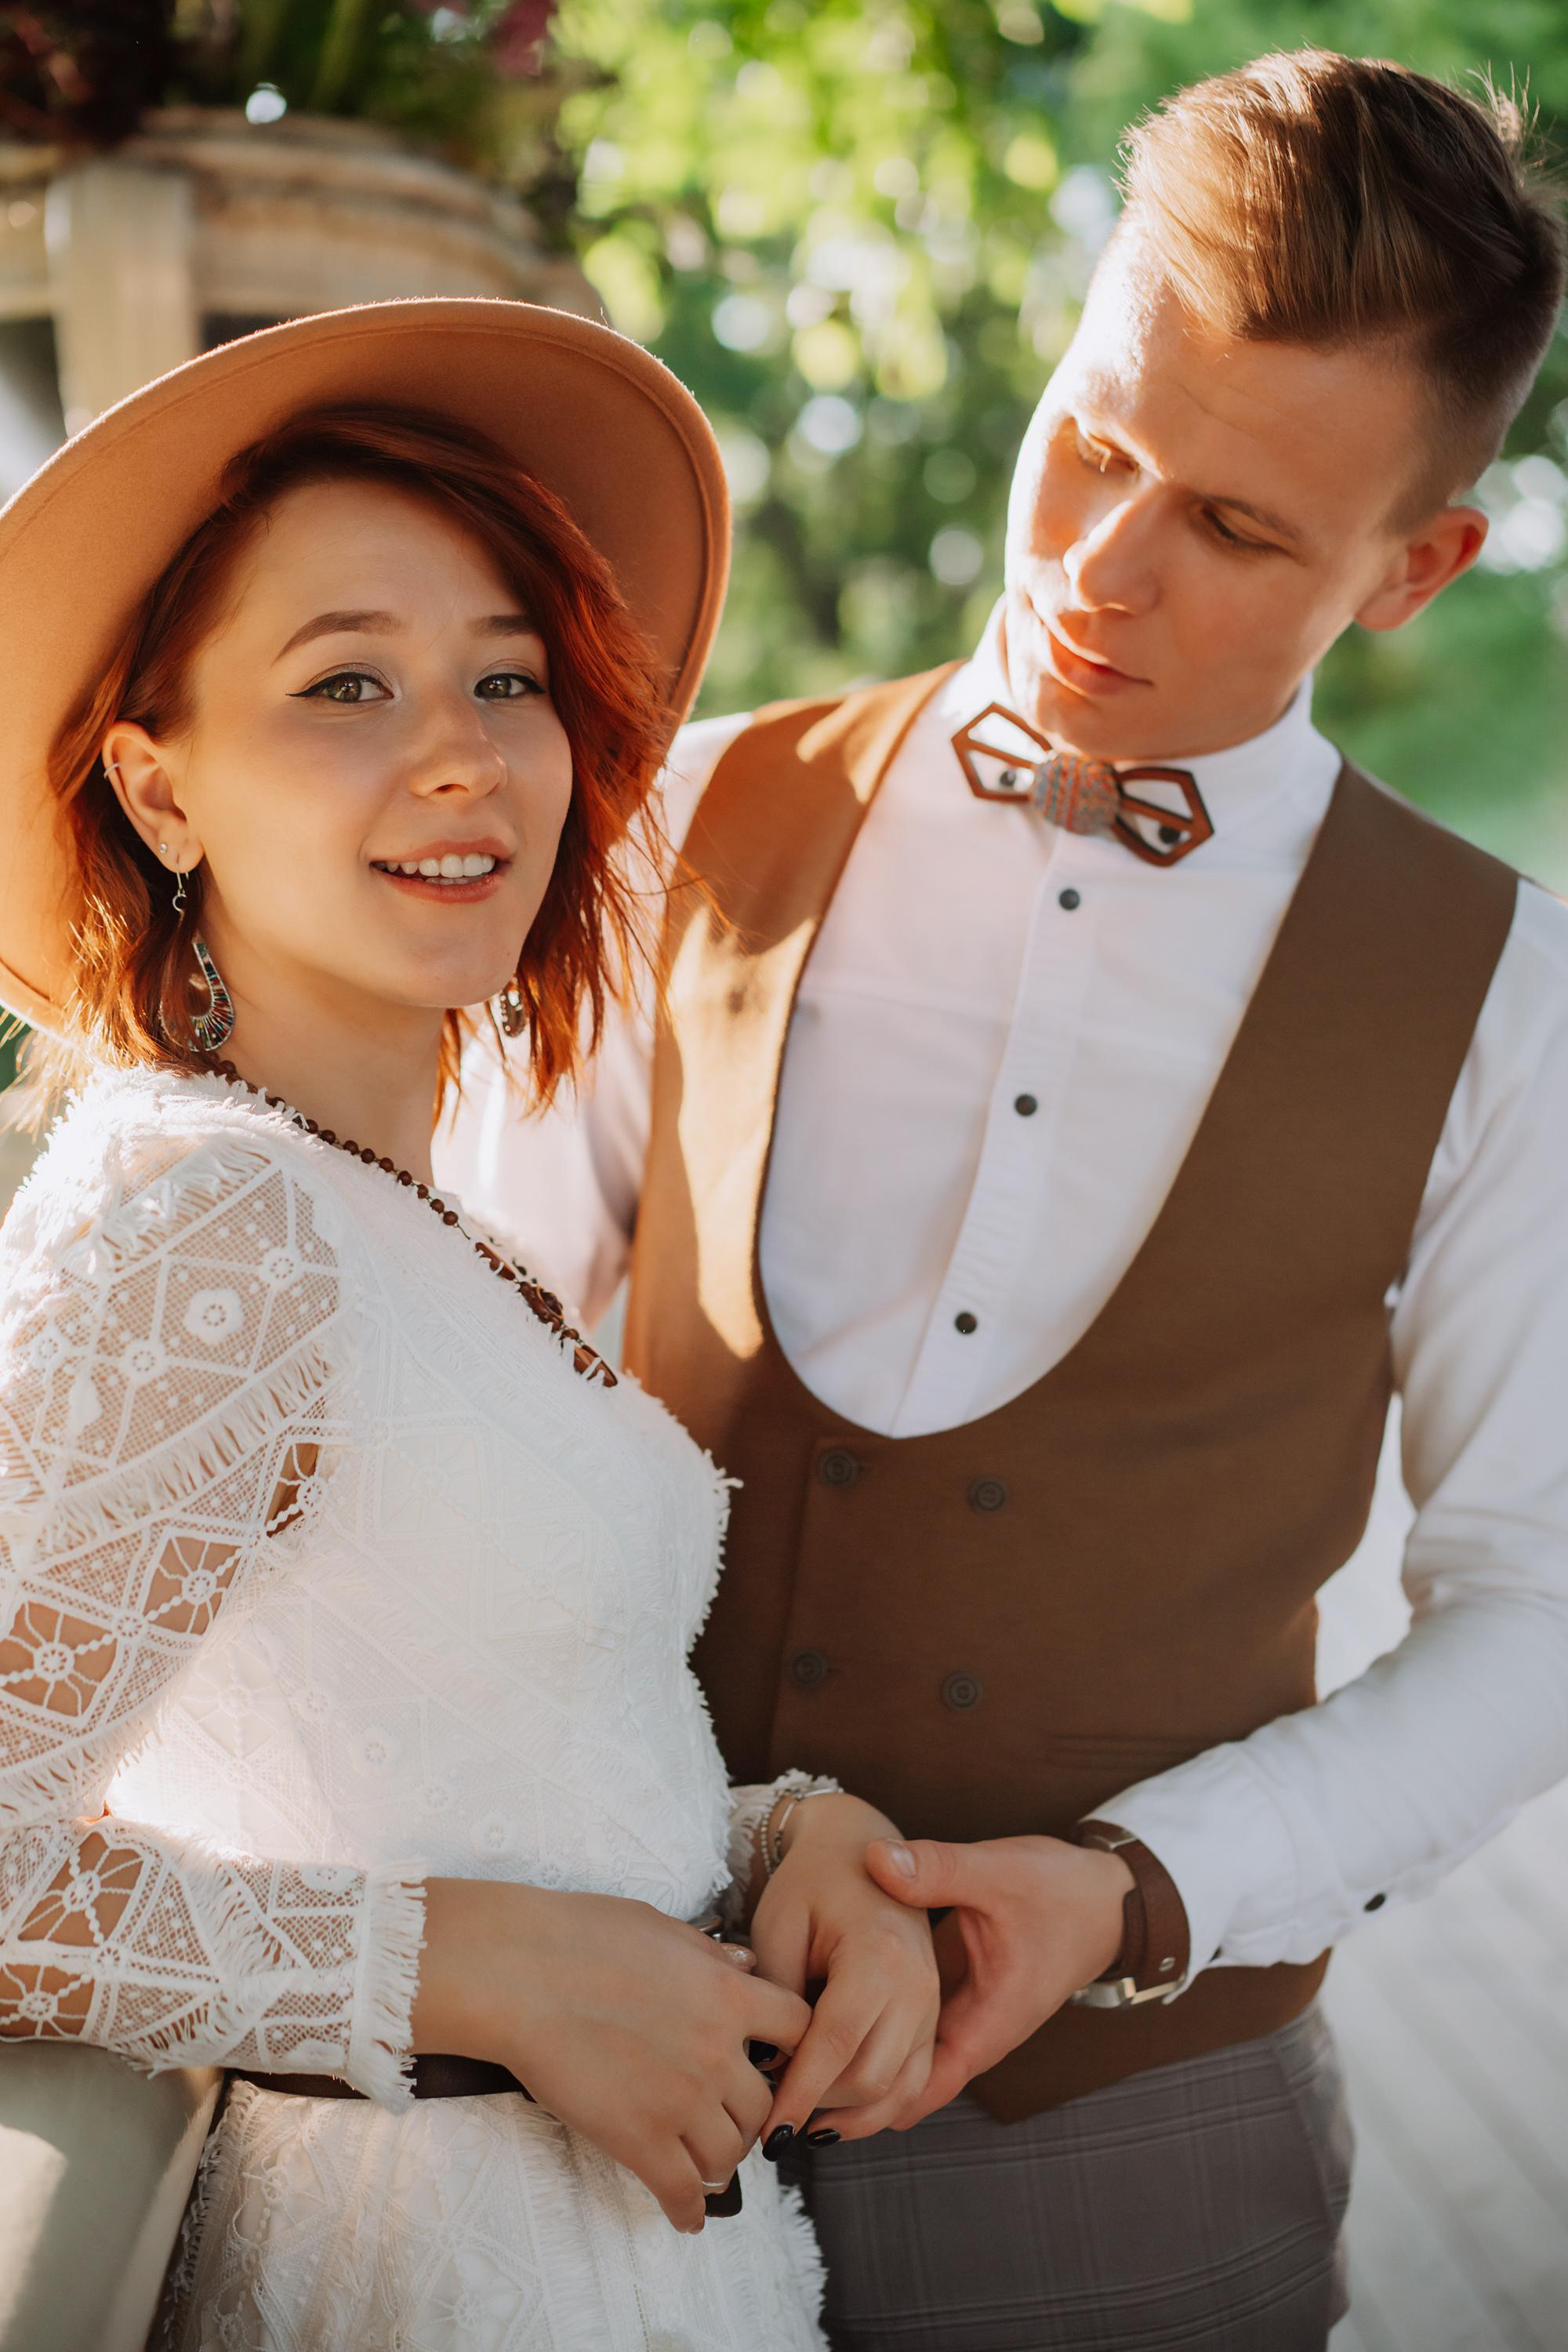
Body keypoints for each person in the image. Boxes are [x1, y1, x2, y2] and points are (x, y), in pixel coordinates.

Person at [441, 53, 1568, 2352]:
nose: (1094, 566)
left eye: (1238, 534)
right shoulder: (681, 826)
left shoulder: (1510, 1001)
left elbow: (1538, 1607)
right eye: (1093, 436)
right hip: (584, 2062)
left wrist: (1141, 1894)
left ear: (1416, 570)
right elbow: (476, 1400)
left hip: (1136, 2143)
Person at [0, 302, 940, 2352]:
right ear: (160, 794)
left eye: (503, 675)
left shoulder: (378, 1206)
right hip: (426, 2275)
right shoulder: (198, 1215)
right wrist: (469, 1970)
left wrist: (794, 1839)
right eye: (347, 681)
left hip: (624, 2254)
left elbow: (444, 1725)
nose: (461, 747)